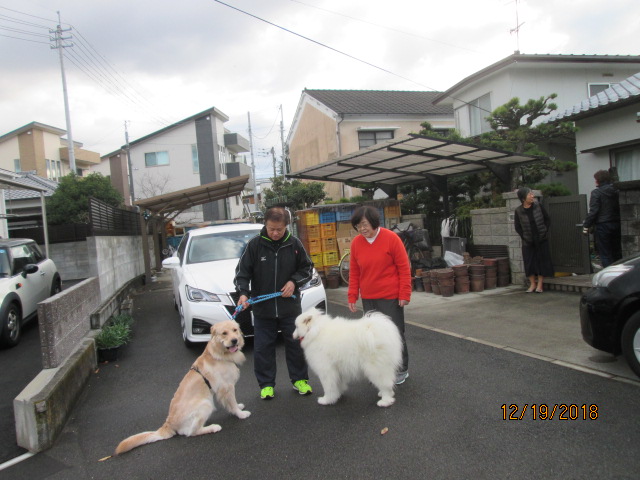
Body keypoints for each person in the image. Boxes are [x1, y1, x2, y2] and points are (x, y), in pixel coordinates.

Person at [234, 207, 314, 400]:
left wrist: (293, 282)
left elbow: (307, 269)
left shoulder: (294, 244)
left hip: (290, 308)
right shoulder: (254, 245)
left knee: (295, 345)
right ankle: (266, 385)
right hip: (263, 309)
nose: (275, 233)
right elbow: (242, 273)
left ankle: (300, 380)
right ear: (265, 224)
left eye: (279, 229)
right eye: (271, 229)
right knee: (263, 348)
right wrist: (243, 293)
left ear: (286, 226)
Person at [347, 205, 412, 384]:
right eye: (358, 226)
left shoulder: (391, 238)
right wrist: (352, 295)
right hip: (369, 297)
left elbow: (404, 268)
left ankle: (401, 369)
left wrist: (404, 293)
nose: (362, 229)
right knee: (374, 336)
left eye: (365, 224)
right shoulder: (356, 243)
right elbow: (354, 272)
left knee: (395, 334)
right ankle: (380, 369)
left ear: (374, 222)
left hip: (390, 296)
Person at [514, 187, 554, 293]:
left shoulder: (538, 206)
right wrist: (524, 237)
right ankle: (532, 284)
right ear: (523, 198)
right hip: (528, 241)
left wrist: (544, 231)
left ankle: (540, 285)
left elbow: (547, 219)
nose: (532, 196)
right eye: (530, 194)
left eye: (532, 194)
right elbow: (517, 227)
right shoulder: (518, 211)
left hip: (541, 239)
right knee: (529, 262)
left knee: (541, 261)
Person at [583, 170, 622, 268]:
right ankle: (619, 272)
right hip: (617, 223)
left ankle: (609, 273)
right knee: (617, 251)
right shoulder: (617, 191)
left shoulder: (596, 192)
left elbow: (594, 211)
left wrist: (586, 225)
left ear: (598, 180)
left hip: (602, 225)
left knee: (605, 252)